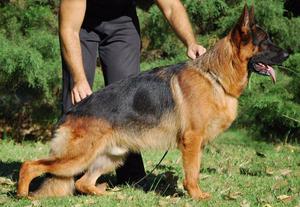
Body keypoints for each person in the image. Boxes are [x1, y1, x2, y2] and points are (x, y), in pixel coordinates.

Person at [59, 0, 206, 185]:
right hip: (80, 26)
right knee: (77, 99)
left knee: (129, 101)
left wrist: (190, 42)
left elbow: (171, 7)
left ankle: (130, 175)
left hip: (122, 23)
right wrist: (78, 79)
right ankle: (65, 175)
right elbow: (69, 30)